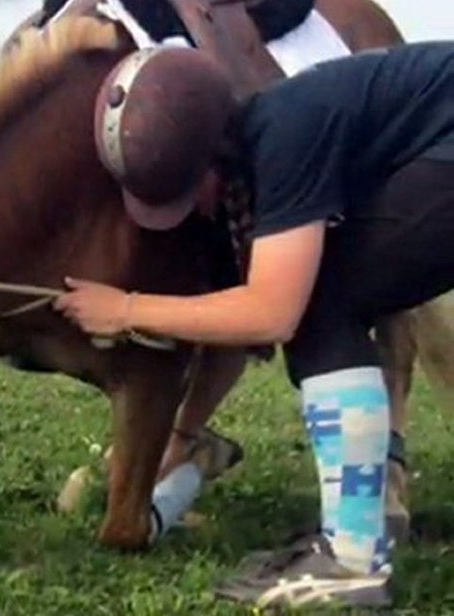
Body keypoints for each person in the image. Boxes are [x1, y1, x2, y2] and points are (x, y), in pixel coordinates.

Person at [54, 40, 454, 609]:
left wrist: (125, 309)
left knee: (323, 302)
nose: (192, 212)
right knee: (329, 294)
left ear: (213, 155)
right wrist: (185, 434)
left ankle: (351, 560)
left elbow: (272, 312)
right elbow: (245, 325)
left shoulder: (285, 138)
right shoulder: (264, 134)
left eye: (184, 193)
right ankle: (356, 538)